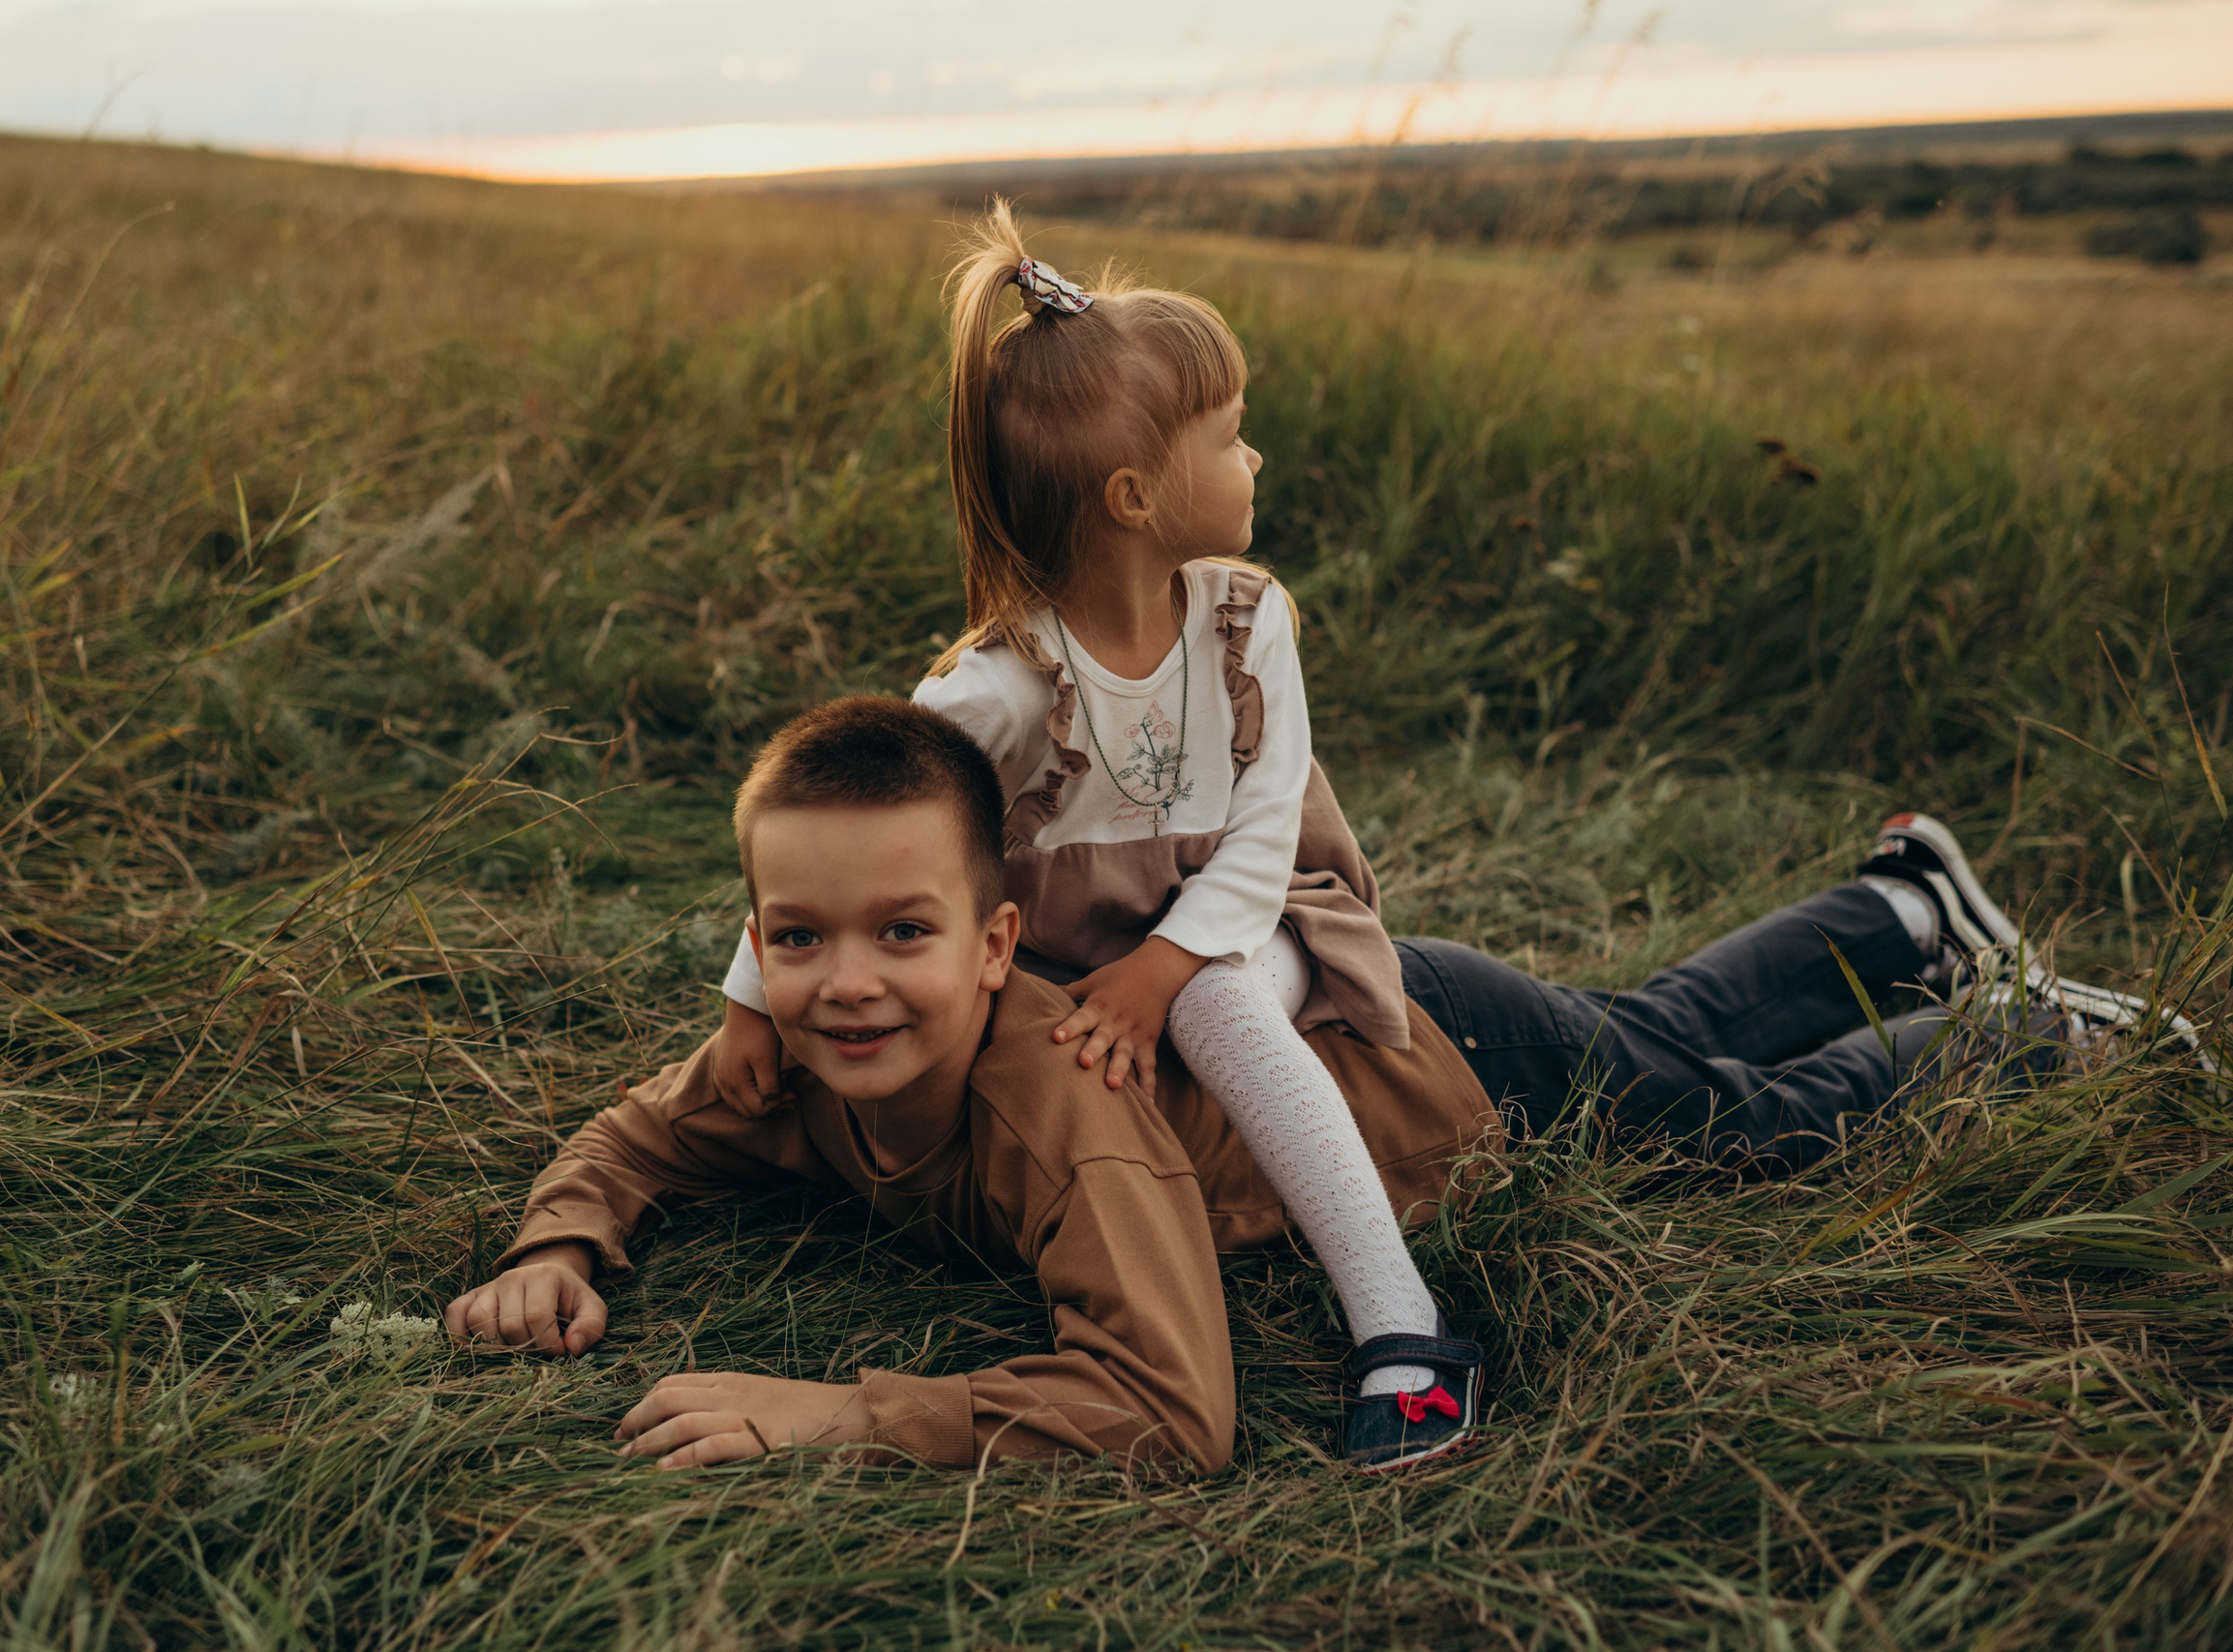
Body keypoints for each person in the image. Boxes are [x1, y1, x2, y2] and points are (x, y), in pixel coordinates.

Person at [701, 203, 1478, 1467]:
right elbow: (853, 841)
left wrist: (1167, 966)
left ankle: (1400, 1322)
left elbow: (1269, 825)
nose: (1258, 460)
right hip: (1086, 972)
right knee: (1133, 1043)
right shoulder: (998, 691)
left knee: (1217, 1006)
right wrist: (748, 1006)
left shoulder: (1247, 623)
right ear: (1133, 495)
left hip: (1259, 921)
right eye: (1230, 438)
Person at [446, 698, 1504, 1474]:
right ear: (757, 952)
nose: (850, 986)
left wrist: (843, 1416)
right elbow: (636, 1137)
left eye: (905, 932)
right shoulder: (796, 1059)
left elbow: (1172, 1412)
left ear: (996, 946)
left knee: (1668, 1054)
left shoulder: (1060, 1106)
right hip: (1338, 1015)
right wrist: (556, 1247)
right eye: (803, 937)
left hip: (1447, 1061)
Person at [1387, 810, 2201, 1170]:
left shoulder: (1257, 631)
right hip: (1415, 998)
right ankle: (1899, 914)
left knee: (1750, 1128)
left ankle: (2024, 1027)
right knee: (1657, 1035)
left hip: (1415, 1053)